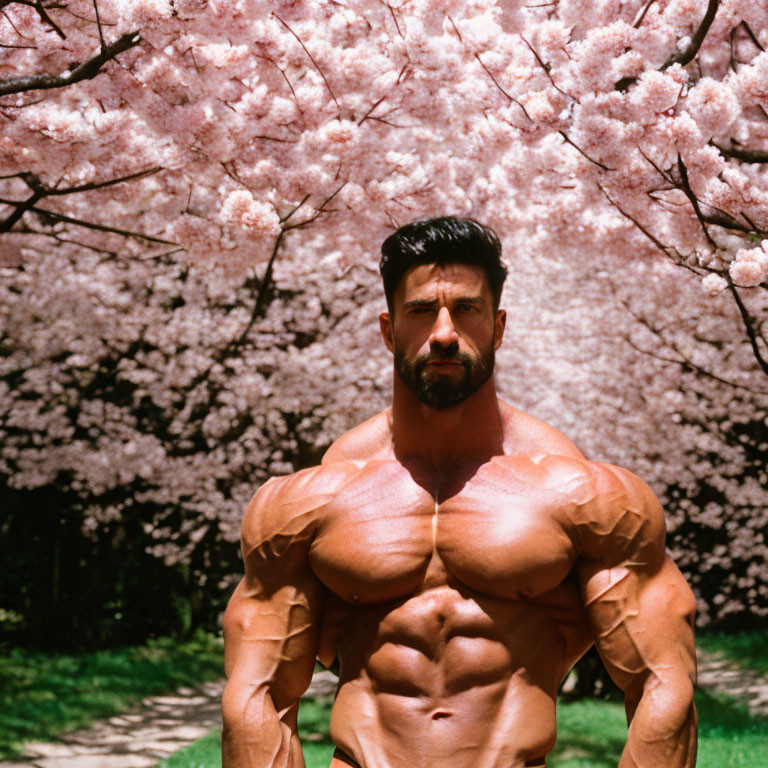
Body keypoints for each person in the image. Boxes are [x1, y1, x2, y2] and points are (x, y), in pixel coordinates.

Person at [222, 217, 697, 768]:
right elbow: (257, 695)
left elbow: (664, 685)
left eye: (466, 310)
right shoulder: (312, 501)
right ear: (387, 329)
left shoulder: (582, 494)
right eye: (421, 311)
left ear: (497, 328)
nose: (444, 333)